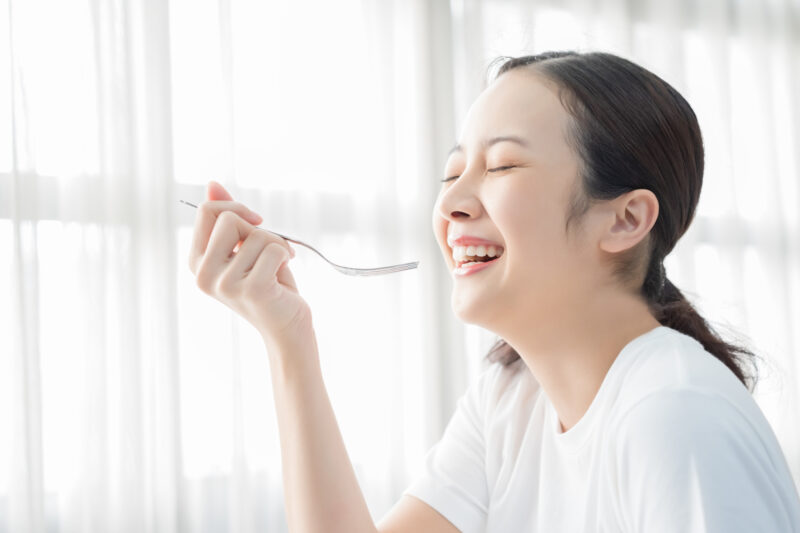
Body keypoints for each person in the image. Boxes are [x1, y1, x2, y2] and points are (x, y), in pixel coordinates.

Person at [187, 50, 800, 532]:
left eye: (502, 166)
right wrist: (287, 338)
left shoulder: (674, 415)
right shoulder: (511, 402)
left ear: (625, 219)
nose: (450, 202)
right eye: (454, 172)